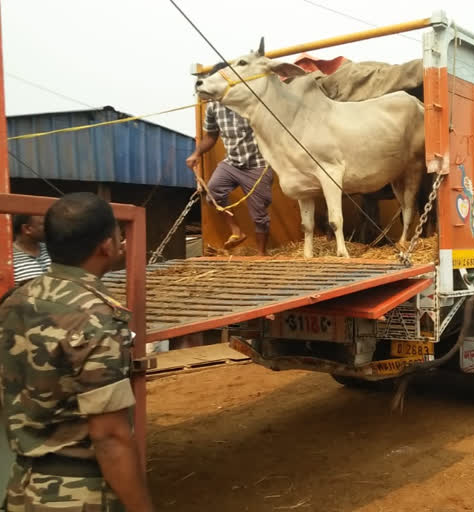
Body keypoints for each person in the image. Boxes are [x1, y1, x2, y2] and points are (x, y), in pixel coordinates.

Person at [0, 193, 154, 512]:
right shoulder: (96, 318)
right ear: (107, 246)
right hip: (79, 497)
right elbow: (110, 438)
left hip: (21, 488)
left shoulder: (15, 300)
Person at [186, 100, 274, 254]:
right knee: (213, 192)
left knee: (259, 214)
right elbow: (211, 135)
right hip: (231, 163)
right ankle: (236, 231)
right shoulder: (213, 105)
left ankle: (261, 254)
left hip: (258, 163)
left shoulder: (250, 99)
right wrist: (196, 153)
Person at [11, 214, 51, 285]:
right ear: (27, 229)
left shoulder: (51, 249)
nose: (49, 228)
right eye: (44, 224)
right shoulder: (9, 258)